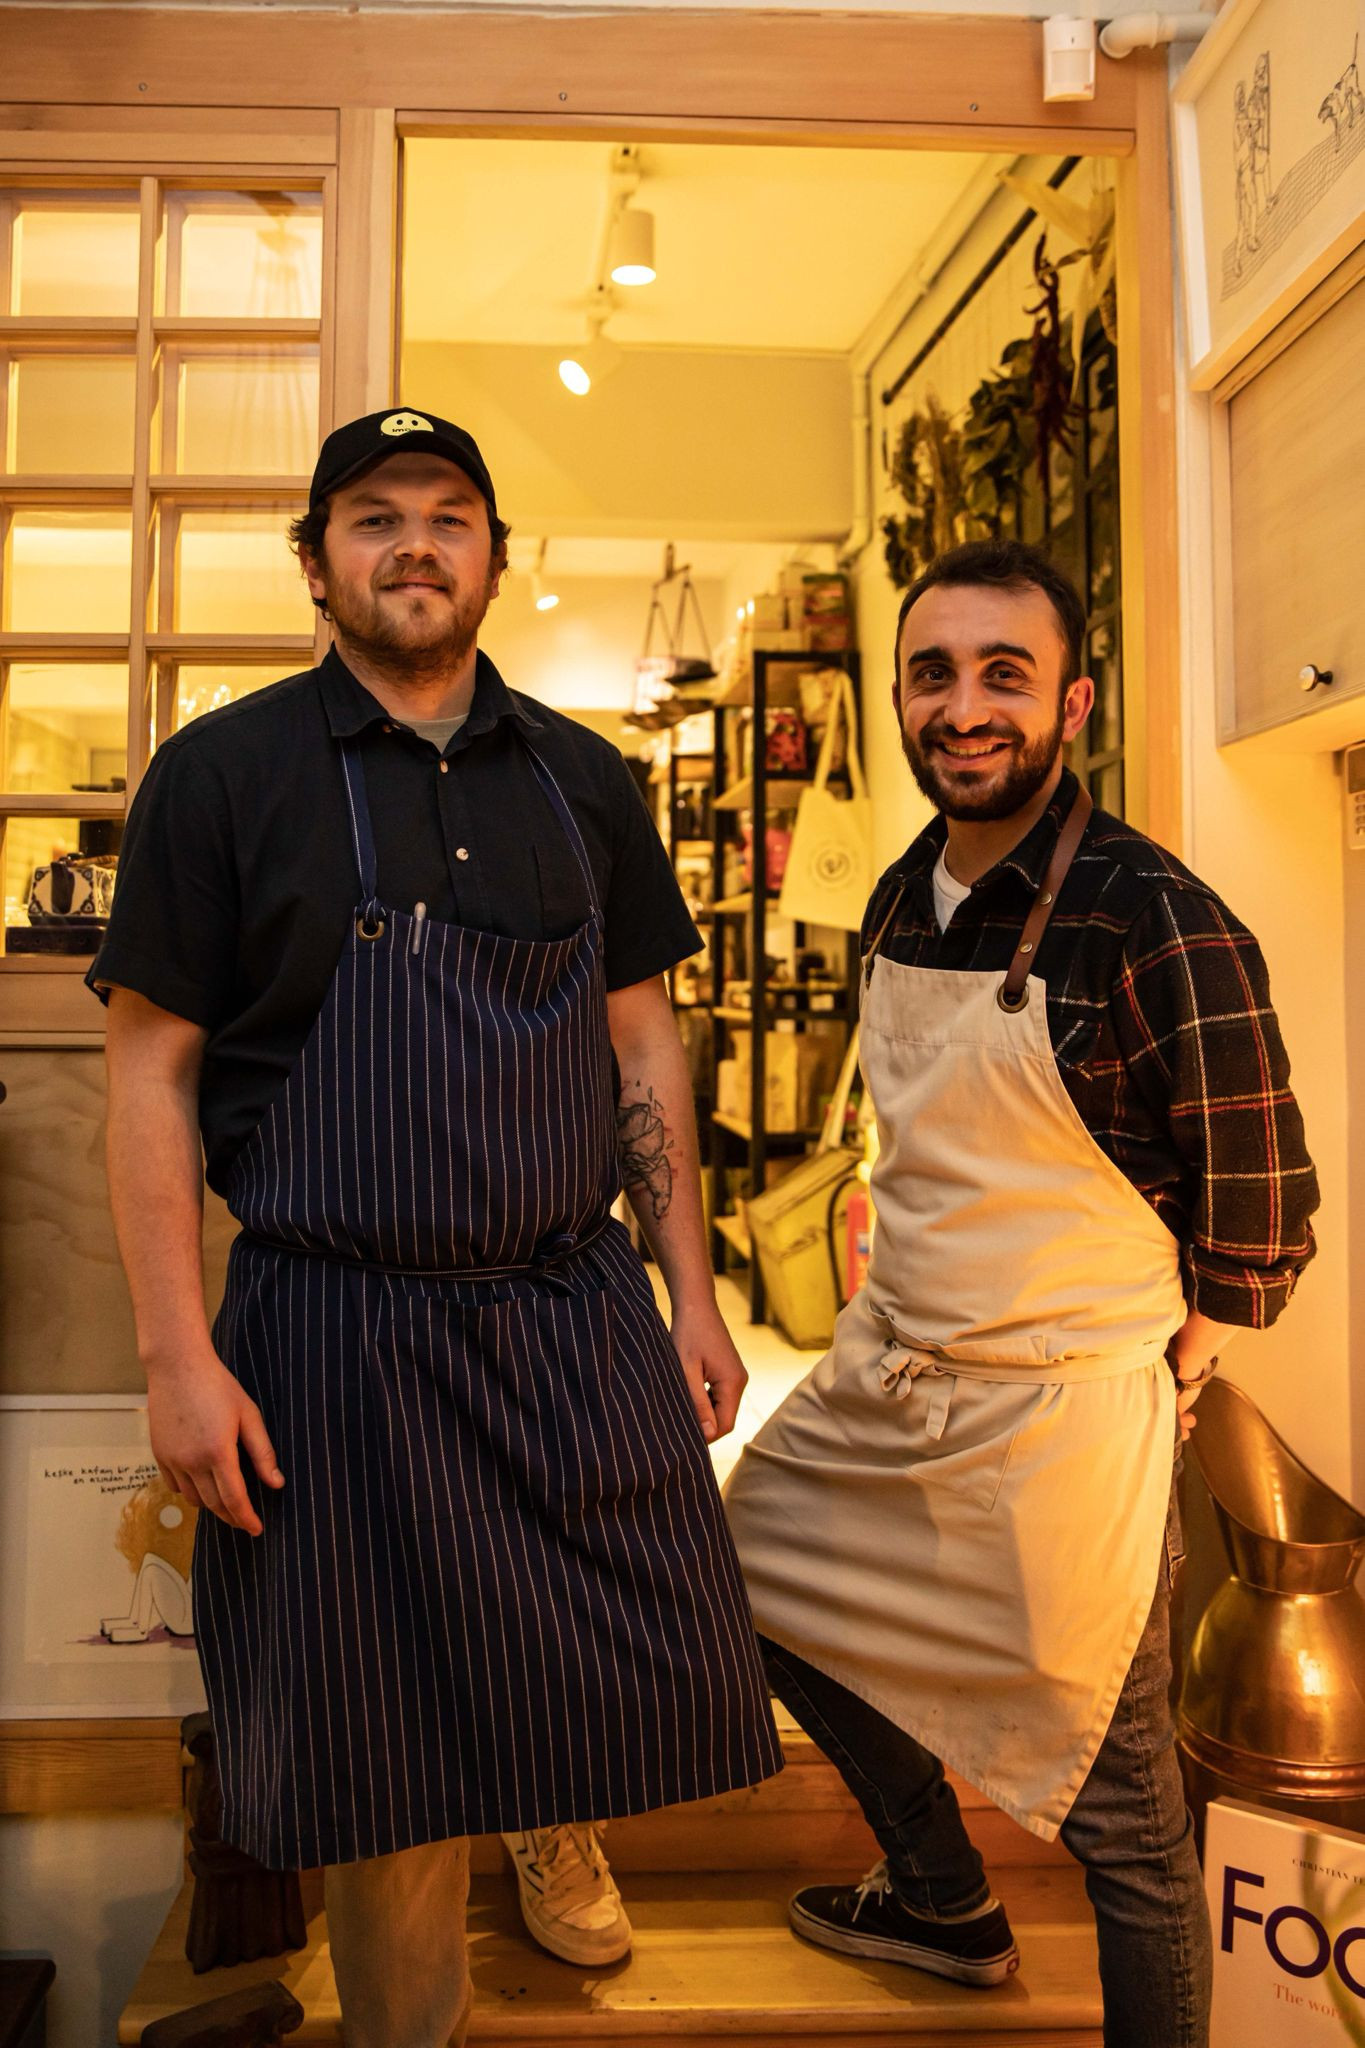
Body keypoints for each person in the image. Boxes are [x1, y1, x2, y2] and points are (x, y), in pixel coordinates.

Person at [93, 408, 781, 2047]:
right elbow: (145, 1085)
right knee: (378, 1741)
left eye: (451, 514)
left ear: (493, 552)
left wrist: (690, 1290)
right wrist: (176, 1357)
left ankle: (555, 1825)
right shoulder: (224, 775)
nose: (415, 543)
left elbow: (641, 1047)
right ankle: (407, 2025)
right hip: (333, 1324)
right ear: (317, 562)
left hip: (561, 1307)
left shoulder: (583, 780)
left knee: (612, 1649)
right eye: (374, 517)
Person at [723, 539, 1318, 2048]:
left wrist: (1169, 1355)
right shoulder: (897, 906)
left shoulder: (1153, 917)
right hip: (896, 1377)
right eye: (933, 672)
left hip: (1064, 1425)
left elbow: (1263, 1211)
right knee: (740, 1583)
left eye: (1004, 673)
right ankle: (938, 1896)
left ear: (1073, 702)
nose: (964, 706)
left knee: (1124, 1826)